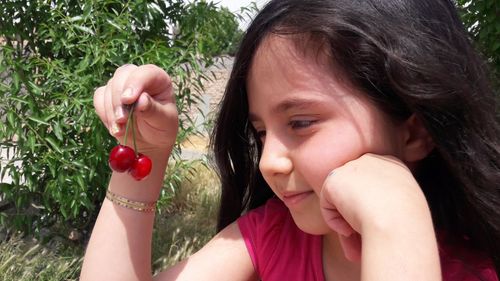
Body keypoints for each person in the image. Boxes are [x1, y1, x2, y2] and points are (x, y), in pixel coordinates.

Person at [80, 0, 500, 280]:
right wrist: (144, 155)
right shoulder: (272, 237)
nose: (268, 161)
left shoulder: (470, 271)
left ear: (414, 131)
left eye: (300, 123)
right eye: (261, 132)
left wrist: (396, 217)